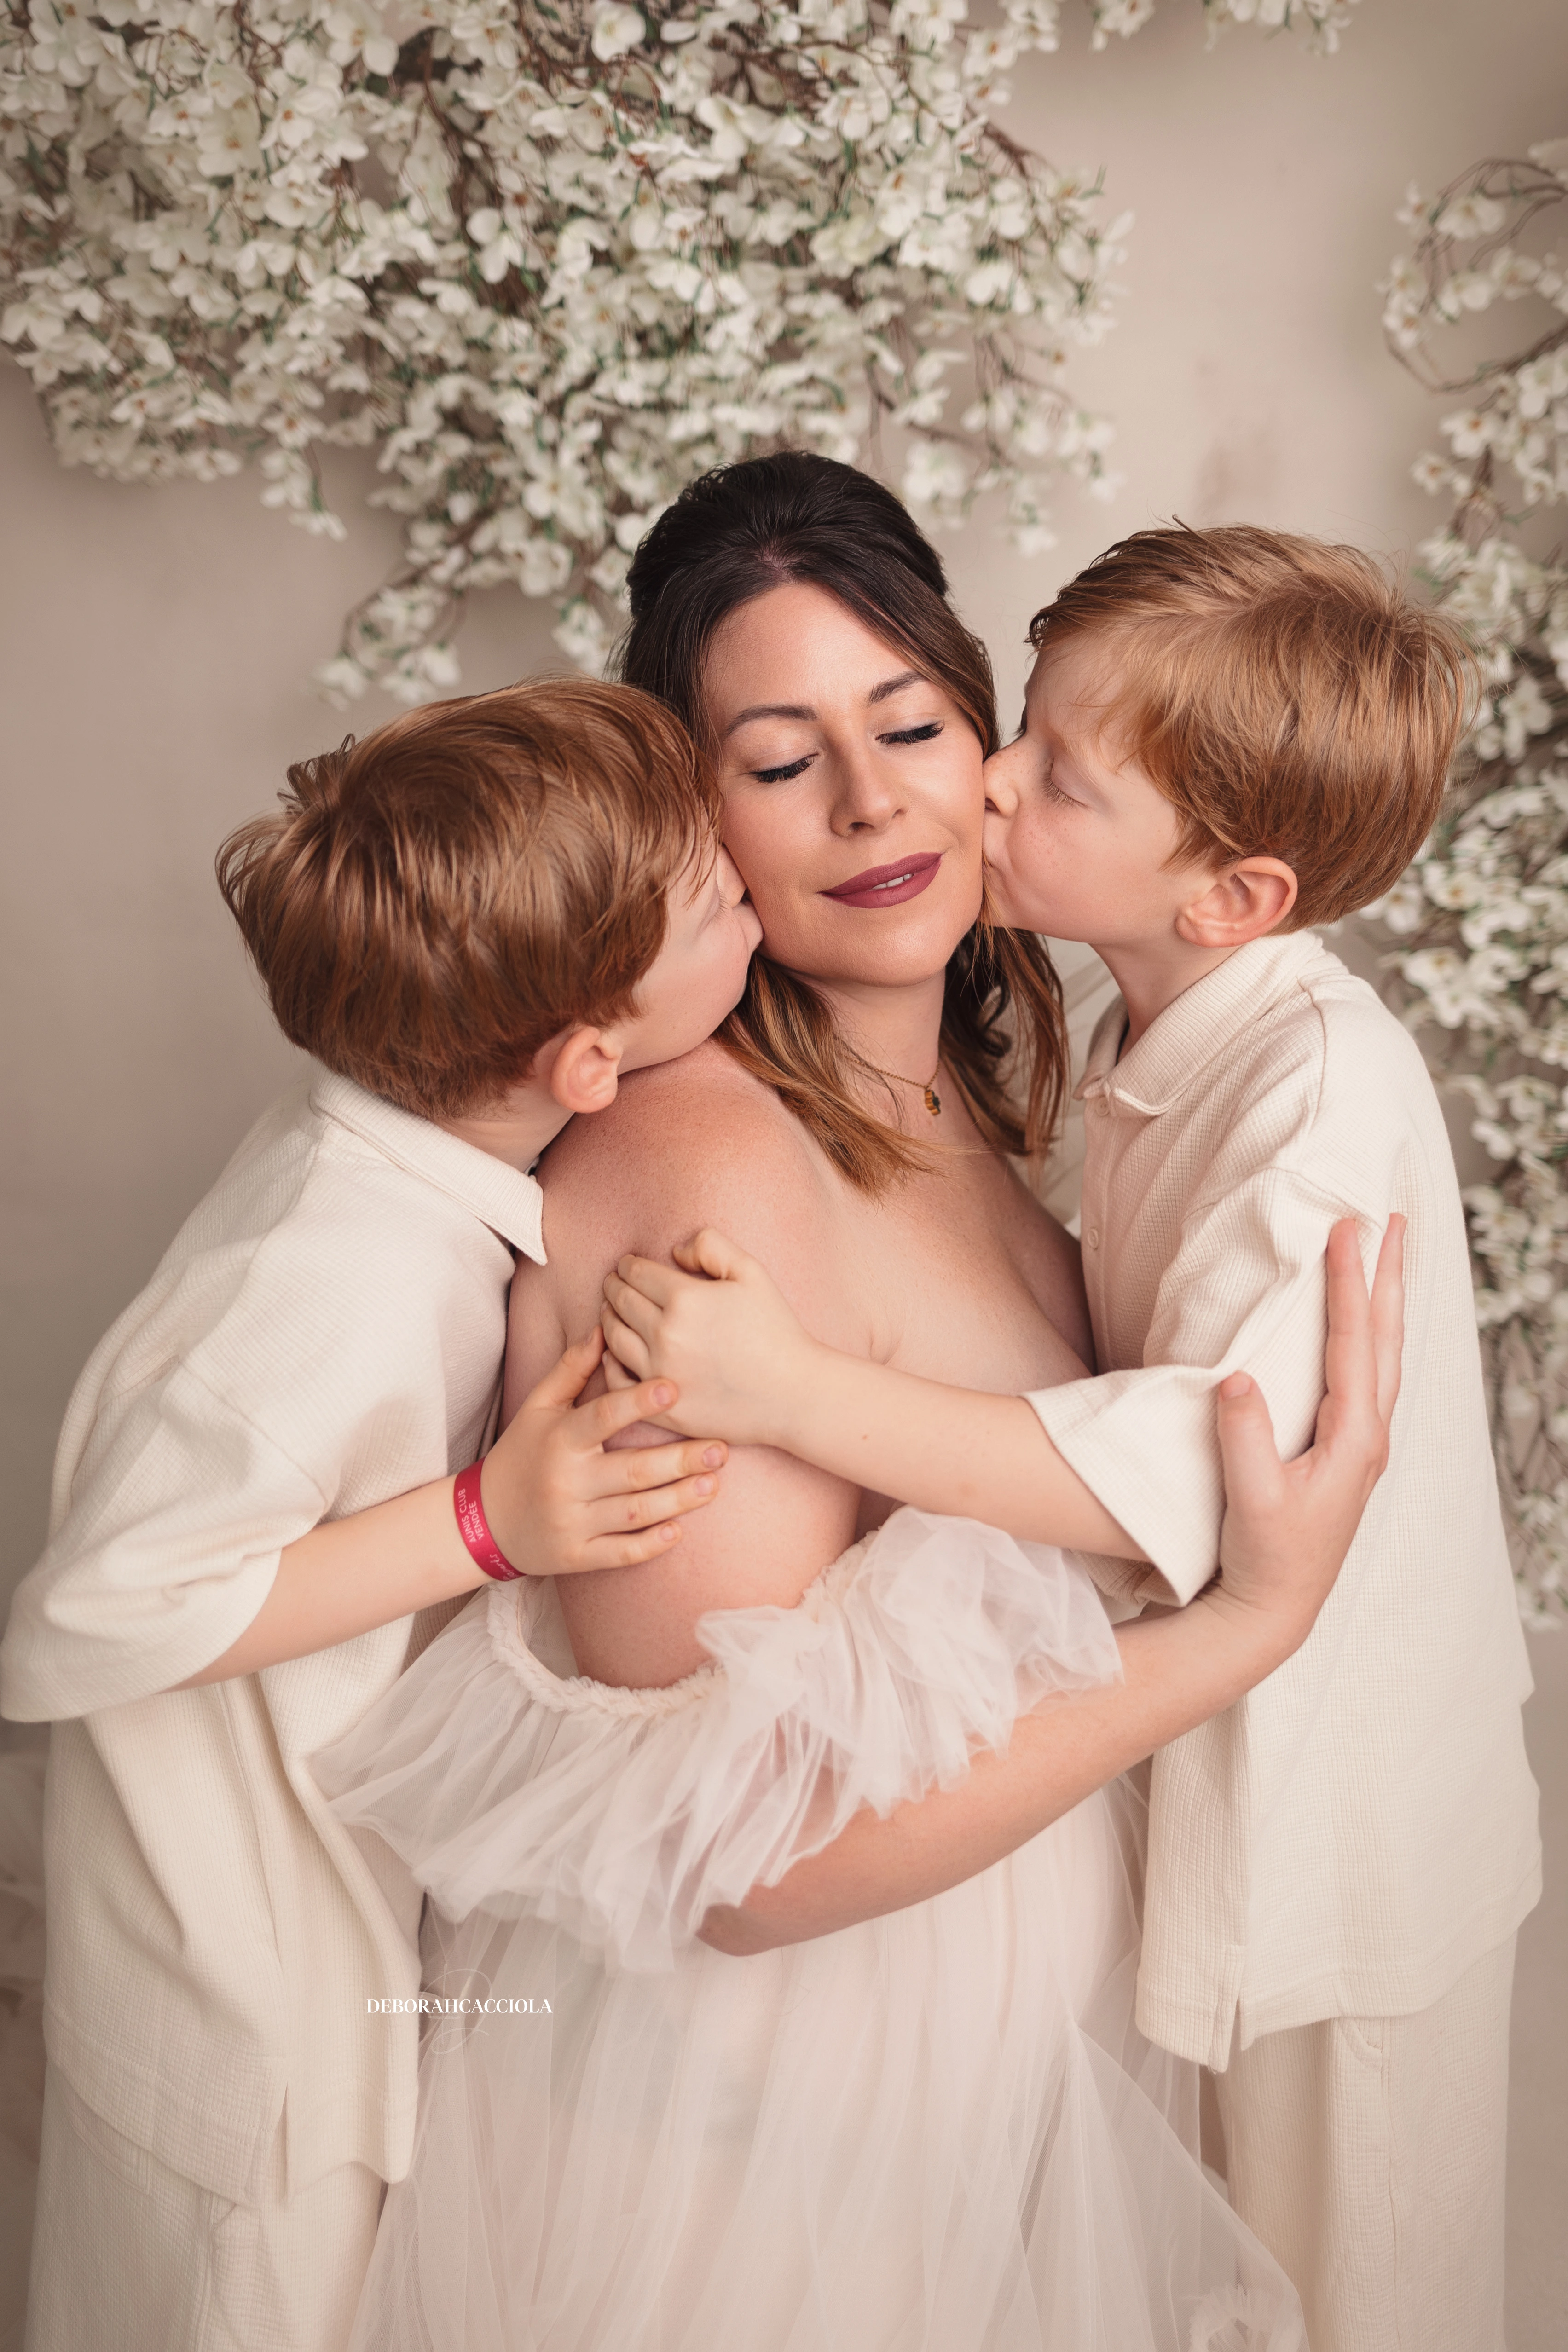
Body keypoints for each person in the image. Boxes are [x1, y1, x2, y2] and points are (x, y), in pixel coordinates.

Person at [315, 458, 1404, 2352]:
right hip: (751, 2160)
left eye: (907, 725)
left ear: (990, 745)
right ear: (690, 816)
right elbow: (735, 1854)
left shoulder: (985, 1111)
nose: (869, 800)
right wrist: (1243, 1626)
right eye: (774, 756)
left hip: (953, 2120)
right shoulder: (700, 1169)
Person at [600, 524, 1543, 2352]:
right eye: (1013, 728)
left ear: (1229, 896)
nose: (978, 786)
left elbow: (1206, 1464)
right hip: (1199, 1812)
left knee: (1354, 2283)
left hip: (1340, 1855)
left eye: (1036, 764)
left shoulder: (1309, 1092)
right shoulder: (1148, 1014)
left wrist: (787, 1387)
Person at [0, 680, 758, 2352]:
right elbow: (80, 1620)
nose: (755, 900)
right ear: (585, 1061)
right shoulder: (327, 1274)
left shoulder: (415, 1148)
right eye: (721, 902)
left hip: (311, 1955)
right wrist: (485, 1523)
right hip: (247, 2017)